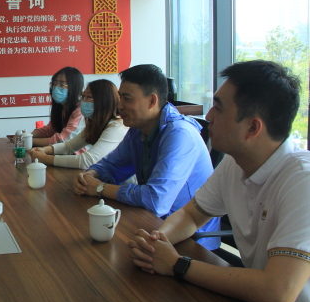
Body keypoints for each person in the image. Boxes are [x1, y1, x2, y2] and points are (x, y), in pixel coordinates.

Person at [128, 60, 310, 302]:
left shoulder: (302, 180)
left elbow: (277, 294)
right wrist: (157, 243)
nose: (209, 117)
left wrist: (177, 264)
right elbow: (191, 215)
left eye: (218, 108)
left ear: (252, 127)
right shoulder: (236, 163)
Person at [73, 64, 220, 250]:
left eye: (127, 98)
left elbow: (155, 200)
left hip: (191, 241)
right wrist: (90, 175)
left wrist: (100, 188)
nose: (119, 105)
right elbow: (112, 165)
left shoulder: (179, 135)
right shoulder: (138, 129)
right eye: (120, 97)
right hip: (152, 225)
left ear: (151, 101)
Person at [29, 79, 128, 169]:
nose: (83, 101)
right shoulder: (95, 123)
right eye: (83, 96)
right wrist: (44, 150)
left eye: (88, 97)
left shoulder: (117, 126)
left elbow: (87, 161)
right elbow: (69, 146)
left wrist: (45, 158)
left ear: (103, 101)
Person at [31, 67, 84, 147]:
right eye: (55, 83)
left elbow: (63, 140)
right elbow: (50, 129)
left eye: (62, 84)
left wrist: (29, 141)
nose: (56, 87)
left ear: (74, 87)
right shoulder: (61, 108)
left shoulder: (80, 110)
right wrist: (28, 135)